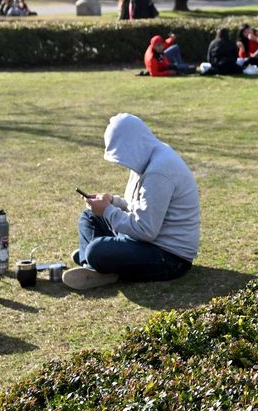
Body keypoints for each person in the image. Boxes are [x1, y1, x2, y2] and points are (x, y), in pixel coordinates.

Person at [64, 114, 199, 291]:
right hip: (146, 241)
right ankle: (95, 265)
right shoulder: (147, 155)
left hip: (169, 257)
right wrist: (113, 201)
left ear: (131, 146)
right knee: (89, 216)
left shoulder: (158, 172)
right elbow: (140, 206)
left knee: (95, 250)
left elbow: (146, 229)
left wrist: (107, 210)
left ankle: (94, 261)